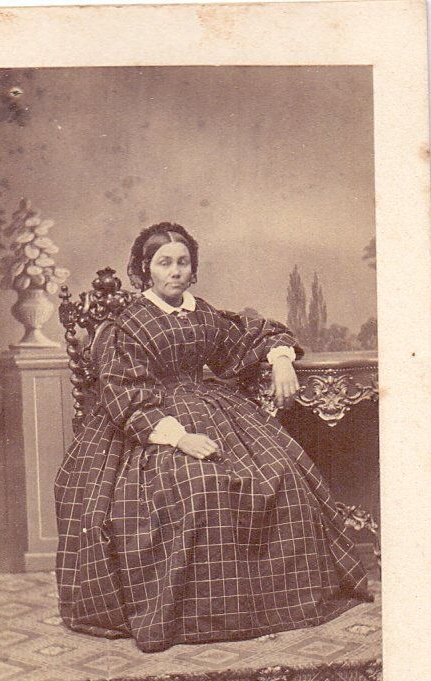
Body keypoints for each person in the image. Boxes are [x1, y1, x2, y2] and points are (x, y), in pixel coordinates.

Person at [55, 221, 371, 653]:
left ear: (193, 268)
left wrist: (280, 358)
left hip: (214, 408)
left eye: (183, 262)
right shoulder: (128, 324)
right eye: (164, 263)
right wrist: (178, 438)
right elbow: (122, 392)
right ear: (145, 270)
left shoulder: (202, 313)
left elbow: (253, 335)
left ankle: (263, 605)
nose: (175, 271)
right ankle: (202, 613)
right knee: (198, 485)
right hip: (149, 423)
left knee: (280, 474)